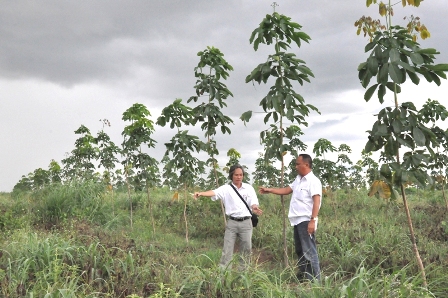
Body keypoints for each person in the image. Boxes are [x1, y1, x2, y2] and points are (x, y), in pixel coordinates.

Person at [259, 154, 322, 282]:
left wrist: (312, 220)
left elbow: (316, 201)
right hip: (297, 221)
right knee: (300, 250)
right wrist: (270, 190)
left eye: (298, 164)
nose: (296, 167)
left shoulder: (313, 181)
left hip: (306, 220)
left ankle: (316, 282)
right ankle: (306, 278)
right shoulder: (299, 179)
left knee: (309, 251)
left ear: (306, 165)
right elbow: (287, 190)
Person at [194, 164, 263, 269]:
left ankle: (243, 277)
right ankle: (224, 276)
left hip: (246, 223)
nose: (238, 177)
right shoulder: (226, 189)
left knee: (246, 250)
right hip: (232, 223)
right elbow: (214, 192)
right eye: (236, 175)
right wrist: (201, 193)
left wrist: (254, 208)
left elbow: (253, 202)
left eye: (240, 175)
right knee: (227, 250)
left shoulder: (249, 188)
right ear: (231, 175)